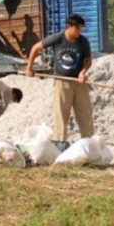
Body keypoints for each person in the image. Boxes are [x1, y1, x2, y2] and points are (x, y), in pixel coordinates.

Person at [25, 13, 93, 141]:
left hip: (79, 83)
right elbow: (35, 48)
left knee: (85, 114)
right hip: (62, 82)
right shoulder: (58, 38)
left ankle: (88, 143)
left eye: (81, 28)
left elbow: (88, 60)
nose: (80, 31)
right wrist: (29, 67)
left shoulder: (83, 41)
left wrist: (82, 73)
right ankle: (61, 143)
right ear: (69, 26)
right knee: (61, 115)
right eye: (77, 28)